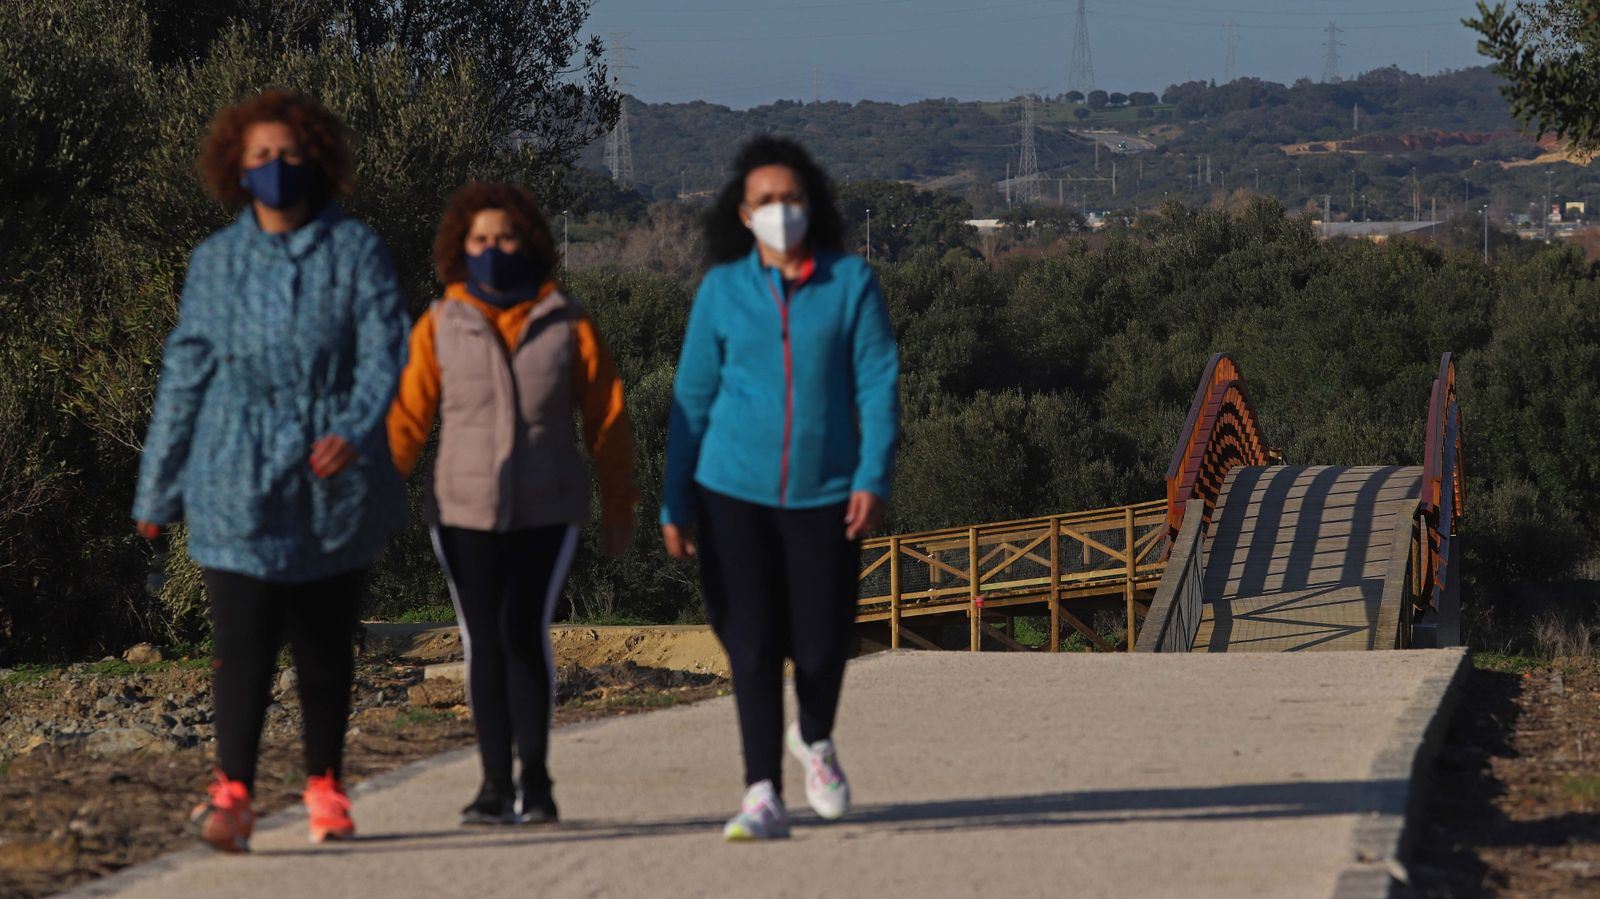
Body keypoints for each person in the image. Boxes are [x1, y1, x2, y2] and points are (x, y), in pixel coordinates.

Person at [132, 89, 409, 851]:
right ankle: (234, 794)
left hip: (334, 483)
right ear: (236, 167)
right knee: (243, 639)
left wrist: (354, 430)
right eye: (261, 156)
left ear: (315, 158)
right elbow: (184, 375)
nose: (276, 168)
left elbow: (389, 349)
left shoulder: (355, 251)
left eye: (288, 154)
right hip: (234, 478)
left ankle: (325, 784)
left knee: (323, 640)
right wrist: (158, 486)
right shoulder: (215, 263)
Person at [661, 136, 900, 841]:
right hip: (731, 490)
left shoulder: (849, 284)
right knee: (754, 643)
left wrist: (873, 473)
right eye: (765, 201)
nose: (779, 210)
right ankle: (761, 790)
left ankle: (816, 738)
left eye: (790, 198)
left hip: (828, 491)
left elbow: (879, 382)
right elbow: (692, 398)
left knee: (825, 642)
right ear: (742, 214)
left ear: (812, 205)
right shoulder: (721, 292)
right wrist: (676, 499)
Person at [388, 182, 636, 826]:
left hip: (547, 510)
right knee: (483, 642)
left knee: (522, 633)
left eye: (504, 237)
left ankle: (538, 779)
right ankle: (494, 785)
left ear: (529, 241)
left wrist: (618, 505)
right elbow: (408, 419)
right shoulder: (442, 322)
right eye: (479, 239)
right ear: (459, 249)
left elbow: (607, 420)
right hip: (462, 510)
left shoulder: (569, 322)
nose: (493, 248)